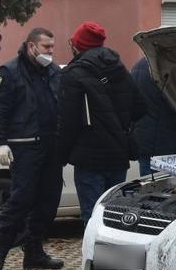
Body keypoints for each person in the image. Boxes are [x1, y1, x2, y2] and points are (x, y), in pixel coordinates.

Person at [0, 27, 64, 270]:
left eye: (52, 47)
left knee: (48, 202)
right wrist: (0, 142)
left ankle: (34, 252)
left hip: (50, 146)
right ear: (32, 46)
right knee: (20, 200)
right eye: (46, 47)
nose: (51, 52)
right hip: (25, 147)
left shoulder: (53, 72)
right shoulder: (9, 73)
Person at [55, 22, 141, 224]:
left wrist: (60, 156)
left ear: (79, 45)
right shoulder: (119, 69)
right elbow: (138, 107)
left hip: (89, 157)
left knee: (92, 216)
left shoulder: (73, 74)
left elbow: (67, 121)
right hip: (118, 155)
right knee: (114, 215)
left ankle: (93, 255)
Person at [130, 49, 176, 176]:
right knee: (173, 191)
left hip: (144, 142)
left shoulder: (137, 67)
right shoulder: (167, 70)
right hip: (168, 145)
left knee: (150, 189)